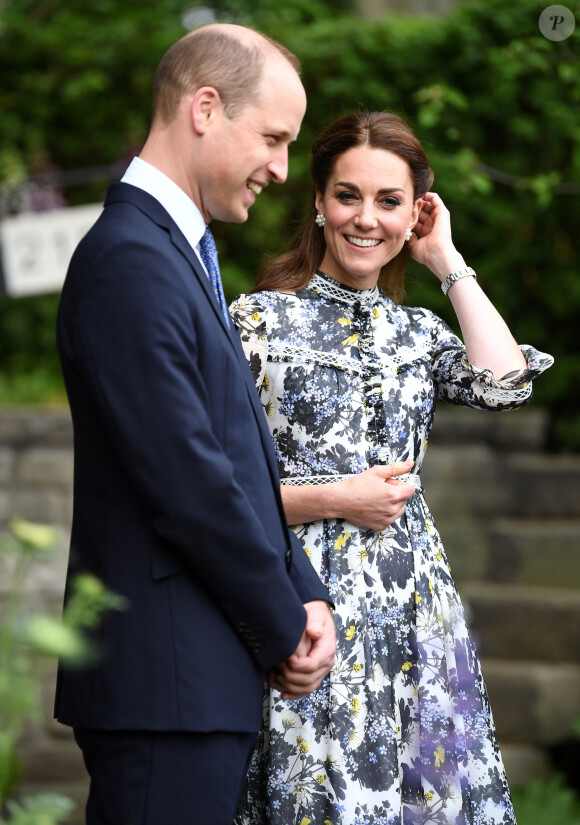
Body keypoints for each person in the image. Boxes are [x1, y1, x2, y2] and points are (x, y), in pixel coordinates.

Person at [230, 111, 553, 825]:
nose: (365, 219)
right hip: (304, 603)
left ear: (414, 214)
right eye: (348, 196)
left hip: (414, 611)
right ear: (318, 201)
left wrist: (447, 261)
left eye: (389, 201)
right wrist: (336, 497)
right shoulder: (254, 324)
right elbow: (215, 491)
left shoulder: (418, 333)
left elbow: (506, 382)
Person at [54, 23, 336, 825]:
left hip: (193, 684)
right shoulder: (129, 261)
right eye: (275, 138)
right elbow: (188, 482)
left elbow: (240, 460)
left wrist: (303, 592)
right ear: (206, 108)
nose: (283, 169)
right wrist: (283, 622)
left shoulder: (177, 254)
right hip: (160, 688)